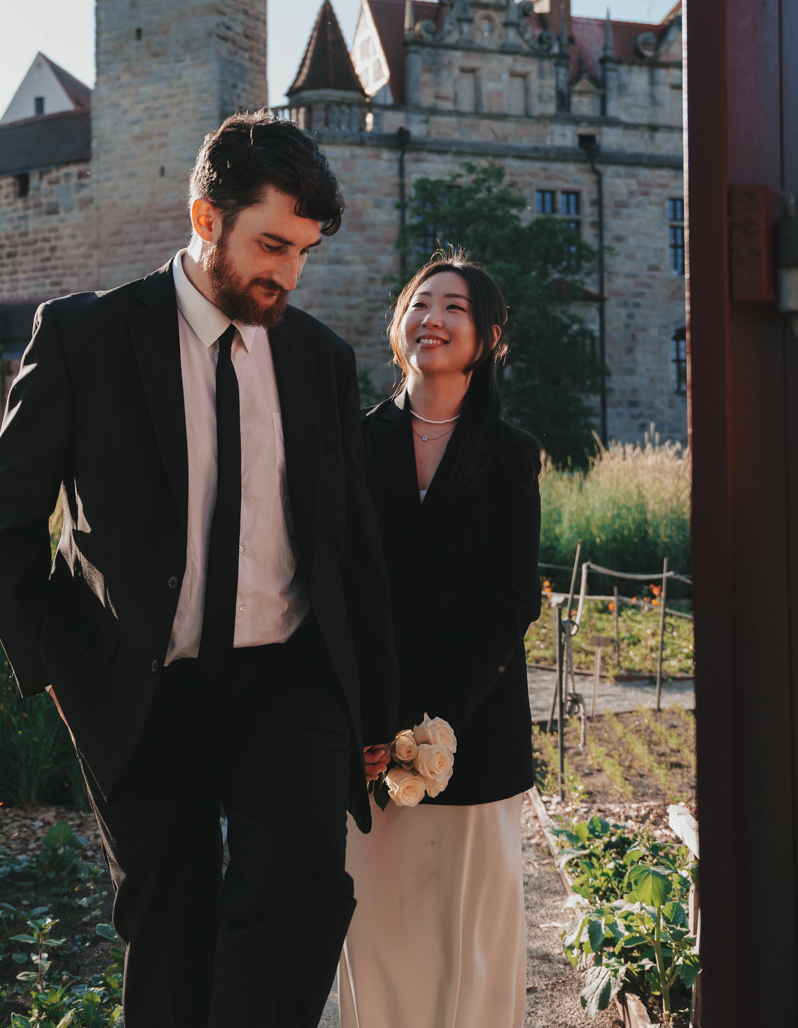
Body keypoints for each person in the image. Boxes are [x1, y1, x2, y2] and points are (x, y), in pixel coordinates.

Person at [0, 110, 397, 1028]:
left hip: (288, 680)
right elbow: (3, 523)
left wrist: (373, 704)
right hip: (144, 685)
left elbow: (351, 549)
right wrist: (63, 670)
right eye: (272, 245)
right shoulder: (84, 338)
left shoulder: (320, 359)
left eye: (304, 252)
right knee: (169, 919)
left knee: (301, 890)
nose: (289, 274)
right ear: (206, 218)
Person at [337, 256, 544, 1028]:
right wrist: (371, 721)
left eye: (455, 307)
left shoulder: (511, 453)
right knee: (381, 928)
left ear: (487, 336)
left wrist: (438, 722)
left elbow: (512, 598)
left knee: (469, 933)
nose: (433, 318)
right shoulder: (354, 442)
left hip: (476, 725)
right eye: (420, 303)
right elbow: (339, 588)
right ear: (400, 327)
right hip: (369, 733)